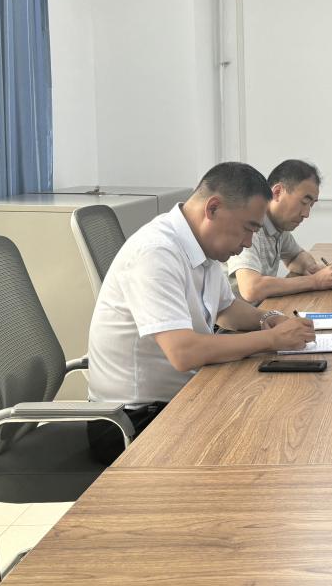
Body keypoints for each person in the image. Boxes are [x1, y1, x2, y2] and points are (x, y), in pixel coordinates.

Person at [86, 162, 318, 464]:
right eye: (248, 228)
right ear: (213, 208)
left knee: (284, 413)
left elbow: (227, 309)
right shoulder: (156, 253)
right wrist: (272, 339)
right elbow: (184, 353)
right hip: (132, 423)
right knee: (270, 440)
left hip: (183, 397)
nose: (248, 242)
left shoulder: (201, 246)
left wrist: (268, 319)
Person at [226, 159, 332, 302]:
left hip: (261, 309)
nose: (306, 214)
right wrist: (315, 281)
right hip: (237, 315)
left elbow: (296, 257)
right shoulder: (250, 227)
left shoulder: (278, 227)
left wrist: (311, 268)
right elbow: (251, 289)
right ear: (277, 192)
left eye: (311, 205)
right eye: (304, 202)